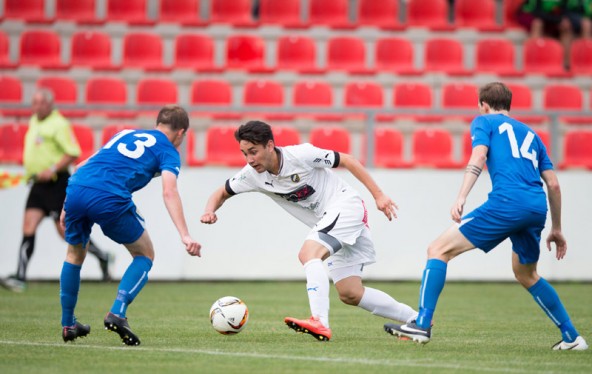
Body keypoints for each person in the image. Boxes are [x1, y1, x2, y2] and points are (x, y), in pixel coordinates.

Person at [384, 82, 588, 351]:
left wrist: (461, 196)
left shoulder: (484, 122)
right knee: (526, 274)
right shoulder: (531, 134)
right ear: (509, 106)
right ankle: (572, 337)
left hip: (507, 202)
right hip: (536, 207)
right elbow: (553, 184)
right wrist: (557, 227)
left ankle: (421, 324)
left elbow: (479, 156)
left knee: (437, 250)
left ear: (483, 104)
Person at [200, 120, 417, 341]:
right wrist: (210, 210)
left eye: (253, 152)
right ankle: (415, 320)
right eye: (244, 153)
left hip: (345, 206)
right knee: (350, 292)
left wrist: (379, 196)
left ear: (269, 145)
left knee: (308, 254)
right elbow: (221, 193)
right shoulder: (251, 175)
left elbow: (348, 160)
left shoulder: (301, 155)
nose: (249, 160)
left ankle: (319, 321)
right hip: (331, 220)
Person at [59, 105, 201, 345]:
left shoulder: (123, 133)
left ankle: (68, 324)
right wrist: (185, 235)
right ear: (181, 133)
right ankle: (118, 311)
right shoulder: (168, 150)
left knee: (73, 255)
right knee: (144, 254)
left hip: (76, 188)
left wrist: (66, 204)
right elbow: (169, 191)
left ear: (158, 124)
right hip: (109, 196)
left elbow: (81, 166)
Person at [0, 89, 111, 293]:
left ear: (50, 104)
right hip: (38, 185)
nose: (36, 107)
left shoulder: (59, 124)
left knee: (66, 232)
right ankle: (20, 276)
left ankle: (101, 255)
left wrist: (51, 169)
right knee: (28, 226)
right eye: (33, 102)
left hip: (57, 184)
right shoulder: (35, 121)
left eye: (40, 103)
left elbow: (72, 152)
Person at [517, 0, 592, 69]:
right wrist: (558, 20)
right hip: (532, 16)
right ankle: (531, 62)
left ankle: (567, 65)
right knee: (538, 23)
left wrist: (560, 20)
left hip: (552, 18)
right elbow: (537, 13)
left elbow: (565, 13)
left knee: (566, 26)